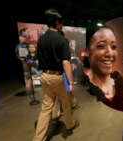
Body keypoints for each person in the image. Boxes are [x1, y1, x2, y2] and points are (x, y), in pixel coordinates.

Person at [33, 8, 78, 141]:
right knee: (65, 102)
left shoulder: (41, 39)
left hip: (45, 76)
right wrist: (70, 82)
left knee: (46, 108)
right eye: (61, 22)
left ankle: (37, 138)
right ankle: (70, 125)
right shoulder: (62, 40)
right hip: (57, 77)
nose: (62, 24)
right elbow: (66, 63)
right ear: (57, 22)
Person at [84, 25, 123, 112]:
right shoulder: (84, 90)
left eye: (114, 47)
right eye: (101, 46)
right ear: (87, 51)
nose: (110, 53)